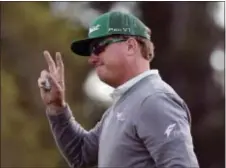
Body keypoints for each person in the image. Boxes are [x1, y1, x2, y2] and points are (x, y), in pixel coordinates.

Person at [38, 11, 199, 168]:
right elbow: (80, 154)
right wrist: (57, 107)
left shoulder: (155, 99)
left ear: (130, 46)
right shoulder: (124, 105)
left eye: (98, 47)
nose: (91, 59)